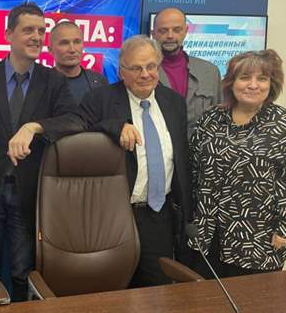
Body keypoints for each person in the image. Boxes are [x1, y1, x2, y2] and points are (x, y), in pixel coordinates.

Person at [37, 35, 191, 287]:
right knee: (109, 289)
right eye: (136, 68)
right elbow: (78, 127)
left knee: (155, 290)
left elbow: (180, 158)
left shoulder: (174, 102)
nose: (145, 74)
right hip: (112, 214)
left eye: (150, 66)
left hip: (158, 215)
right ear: (121, 71)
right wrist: (114, 125)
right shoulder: (101, 99)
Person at [0, 3, 79, 302]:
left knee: (23, 271)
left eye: (41, 31)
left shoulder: (53, 81)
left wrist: (33, 127)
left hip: (29, 193)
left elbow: (74, 120)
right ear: (8, 35)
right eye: (28, 30)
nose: (37, 37)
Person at [188, 49, 286, 278]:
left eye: (262, 79)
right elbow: (193, 170)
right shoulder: (210, 119)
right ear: (231, 83)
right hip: (208, 233)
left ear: (271, 84)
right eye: (244, 77)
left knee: (252, 297)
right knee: (206, 295)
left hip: (258, 238)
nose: (253, 85)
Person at [152, 7, 222, 137]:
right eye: (163, 30)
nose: (170, 36)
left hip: (200, 147)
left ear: (186, 31)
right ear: (153, 34)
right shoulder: (142, 73)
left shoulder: (210, 72)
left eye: (177, 30)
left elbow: (220, 119)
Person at [47, 21, 107, 103]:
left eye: (77, 42)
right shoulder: (41, 83)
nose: (72, 49)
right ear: (50, 50)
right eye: (64, 43)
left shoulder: (99, 81)